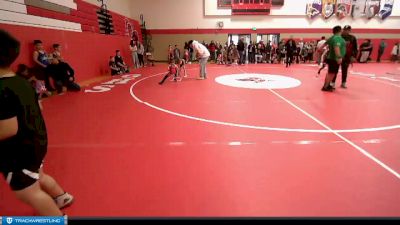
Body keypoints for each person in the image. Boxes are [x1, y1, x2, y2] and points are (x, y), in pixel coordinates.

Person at [0, 30, 74, 216]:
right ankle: (61, 196)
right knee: (38, 176)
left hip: (19, 152)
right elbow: (38, 107)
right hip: (36, 141)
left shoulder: (2, 90)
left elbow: (7, 129)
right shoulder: (22, 82)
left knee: (28, 192)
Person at [320, 26, 346, 92]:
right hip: (334, 59)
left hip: (331, 58)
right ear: (340, 30)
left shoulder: (332, 38)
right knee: (332, 73)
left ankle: (327, 85)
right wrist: (339, 57)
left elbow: (325, 44)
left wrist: (319, 49)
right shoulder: (337, 38)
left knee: (330, 73)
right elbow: (336, 47)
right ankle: (325, 87)